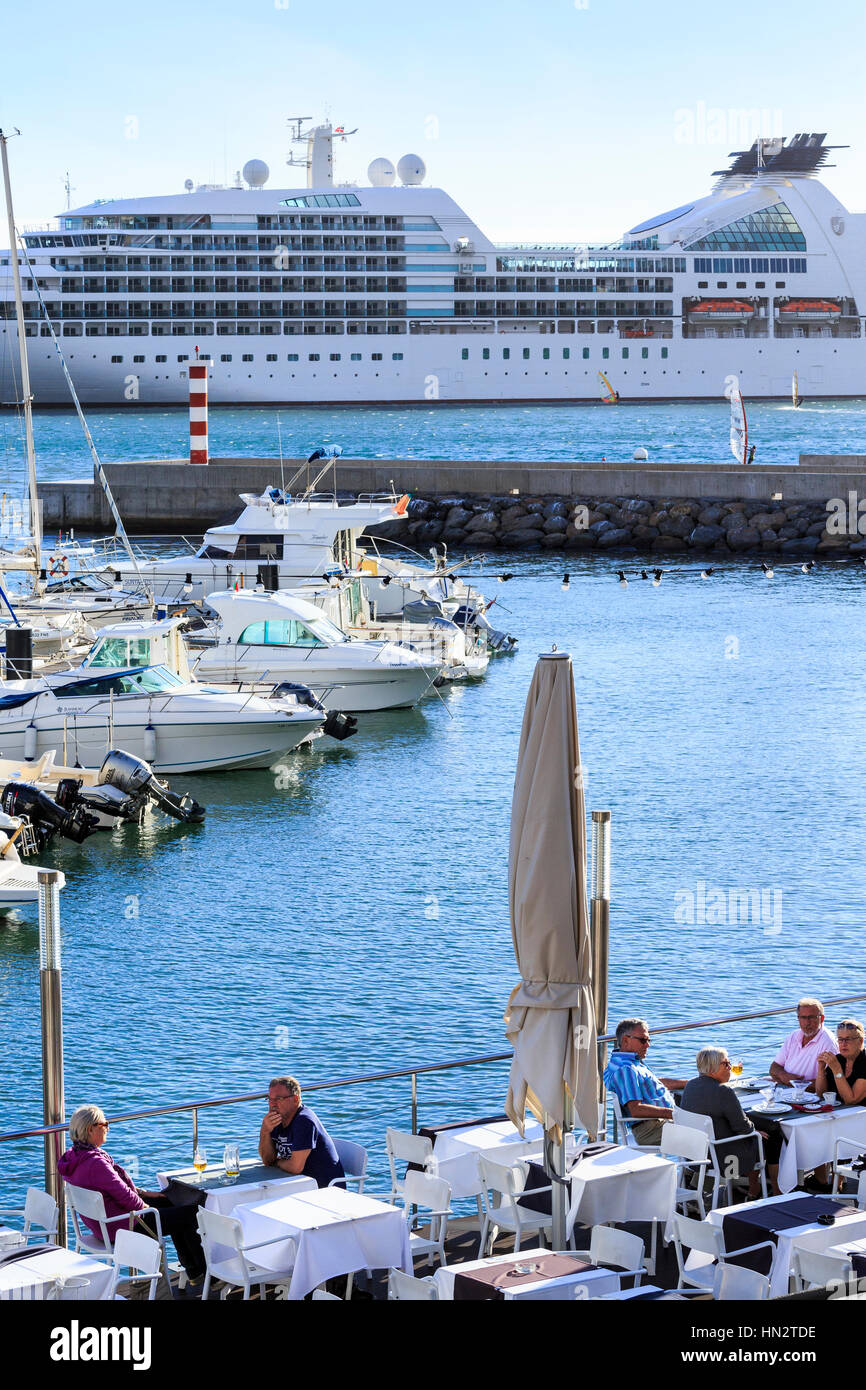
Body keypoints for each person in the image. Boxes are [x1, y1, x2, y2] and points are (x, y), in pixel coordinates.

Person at [57, 1104, 205, 1283]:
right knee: (191, 1214)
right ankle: (202, 1274)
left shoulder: (72, 1158)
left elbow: (111, 1188)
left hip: (101, 1224)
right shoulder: (96, 1163)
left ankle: (195, 1272)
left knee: (170, 1203)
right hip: (123, 1225)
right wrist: (147, 1206)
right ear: (90, 1129)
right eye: (104, 1124)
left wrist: (145, 1194)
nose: (108, 1128)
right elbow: (128, 1200)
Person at [680, 1046, 781, 1197]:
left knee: (755, 1133)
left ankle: (754, 1188)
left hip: (697, 1152)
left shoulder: (690, 1085)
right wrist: (754, 1130)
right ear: (712, 1069)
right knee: (771, 1137)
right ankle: (776, 1190)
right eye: (726, 1064)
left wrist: (752, 1129)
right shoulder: (723, 1091)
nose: (730, 1068)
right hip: (724, 1158)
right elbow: (743, 1128)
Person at [603, 1018, 686, 1146]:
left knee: (706, 1124)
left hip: (658, 1124)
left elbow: (656, 1083)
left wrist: (690, 1083)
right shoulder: (626, 1069)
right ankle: (702, 1165)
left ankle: (697, 1163)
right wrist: (674, 1114)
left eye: (648, 1040)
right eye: (643, 1040)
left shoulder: (628, 1061)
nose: (648, 1045)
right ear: (625, 1040)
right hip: (652, 1129)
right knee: (710, 1131)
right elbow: (636, 1109)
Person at [258, 1075, 344, 1188]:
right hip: (299, 1183)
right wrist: (265, 1131)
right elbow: (268, 1160)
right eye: (270, 1099)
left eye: (278, 1099)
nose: (272, 1104)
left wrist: (278, 1163)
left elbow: (295, 1167)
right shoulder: (277, 1119)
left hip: (324, 1189)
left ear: (295, 1099)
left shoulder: (304, 1121)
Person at [769, 998, 836, 1086]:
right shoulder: (794, 1036)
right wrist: (784, 1075)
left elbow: (829, 1082)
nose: (807, 1023)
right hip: (785, 1088)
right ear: (798, 1018)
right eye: (803, 1017)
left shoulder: (828, 1042)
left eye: (811, 1017)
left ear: (822, 1018)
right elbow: (774, 1068)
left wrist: (796, 1084)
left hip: (808, 1095)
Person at [814, 1019, 866, 1106]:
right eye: (840, 1039)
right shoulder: (839, 1059)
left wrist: (837, 1070)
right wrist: (821, 1069)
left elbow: (851, 1100)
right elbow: (821, 1094)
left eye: (848, 1039)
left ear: (860, 1041)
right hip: (839, 1112)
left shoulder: (864, 1061)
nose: (843, 1044)